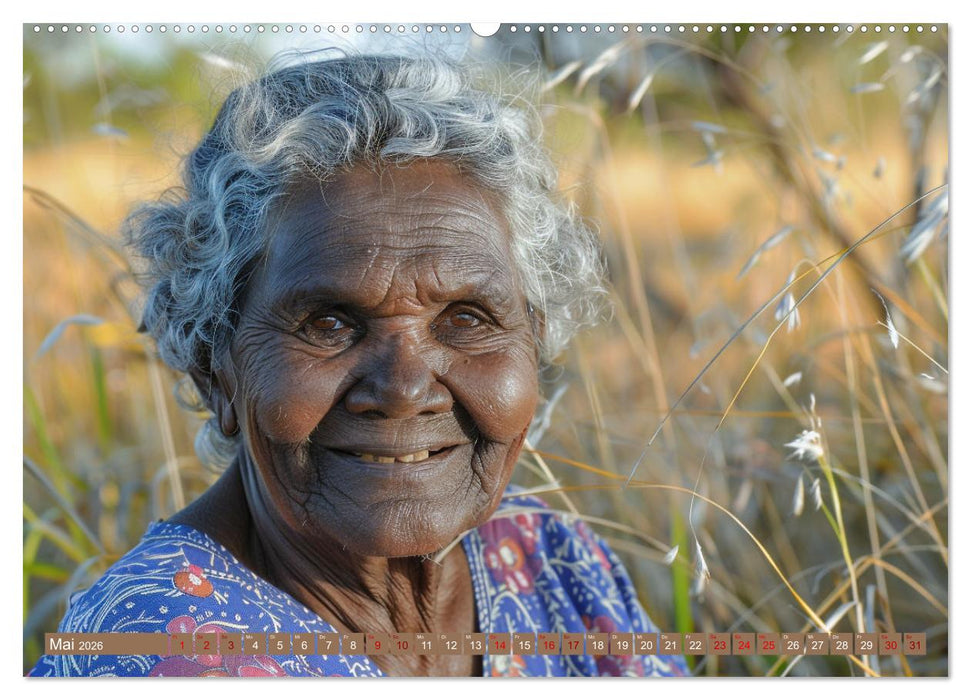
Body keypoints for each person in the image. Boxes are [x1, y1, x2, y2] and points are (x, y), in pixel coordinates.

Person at [30, 54, 687, 677]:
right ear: (215, 369)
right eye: (329, 324)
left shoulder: (548, 558)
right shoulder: (162, 654)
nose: (403, 388)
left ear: (533, 346)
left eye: (465, 318)